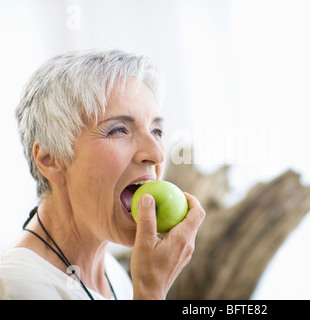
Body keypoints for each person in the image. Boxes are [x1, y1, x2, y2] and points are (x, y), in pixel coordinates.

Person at [0, 49, 205, 300]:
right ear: (50, 158)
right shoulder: (16, 287)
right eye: (119, 130)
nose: (157, 154)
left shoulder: (113, 273)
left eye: (156, 131)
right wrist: (151, 292)